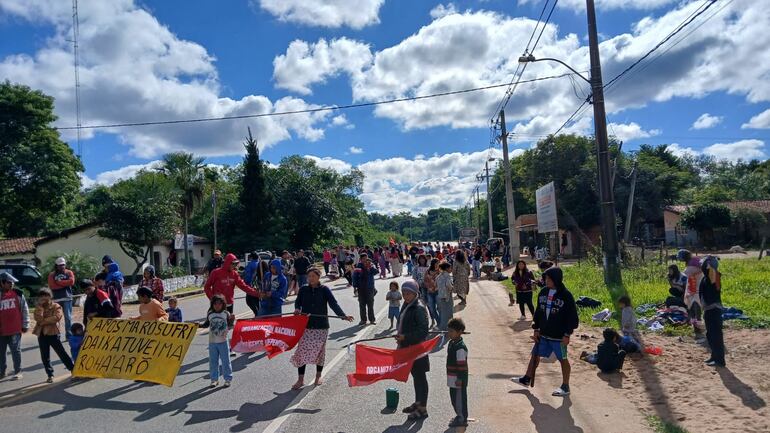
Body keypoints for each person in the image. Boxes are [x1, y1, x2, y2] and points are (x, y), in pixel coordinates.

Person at [513, 267, 579, 397]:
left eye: (549, 278)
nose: (546, 281)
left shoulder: (566, 296)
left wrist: (567, 334)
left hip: (559, 337)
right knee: (535, 355)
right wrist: (536, 328)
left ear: (556, 279)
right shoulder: (543, 292)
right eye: (546, 278)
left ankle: (565, 386)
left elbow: (572, 317)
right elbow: (538, 312)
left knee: (563, 359)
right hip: (543, 334)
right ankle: (527, 378)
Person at [291, 268, 353, 389]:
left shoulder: (324, 290)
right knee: (302, 351)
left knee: (320, 352)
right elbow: (298, 302)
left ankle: (318, 376)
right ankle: (300, 379)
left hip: (321, 326)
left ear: (319, 277)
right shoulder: (303, 289)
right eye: (309, 276)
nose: (311, 279)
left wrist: (343, 316)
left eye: (313, 276)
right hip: (306, 325)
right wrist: (297, 309)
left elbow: (333, 304)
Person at [397, 281, 431, 420]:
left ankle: (423, 408)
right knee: (416, 377)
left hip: (418, 349)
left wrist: (406, 336)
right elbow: (405, 323)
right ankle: (418, 403)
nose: (405, 296)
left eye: (408, 293)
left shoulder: (419, 307)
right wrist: (401, 335)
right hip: (409, 347)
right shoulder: (408, 305)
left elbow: (423, 331)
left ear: (415, 293)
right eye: (404, 293)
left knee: (420, 378)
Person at [33, 288, 74, 382]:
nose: (44, 298)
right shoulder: (38, 307)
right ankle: (50, 375)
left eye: (46, 295)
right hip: (42, 334)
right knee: (45, 356)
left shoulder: (56, 306)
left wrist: (43, 322)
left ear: (50, 296)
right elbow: (37, 318)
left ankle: (72, 369)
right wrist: (40, 307)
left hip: (53, 333)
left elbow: (57, 317)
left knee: (62, 353)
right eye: (41, 296)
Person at [0, 272, 29, 380]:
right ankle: (2, 372)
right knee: (1, 353)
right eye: (8, 282)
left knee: (16, 351)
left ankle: (18, 371)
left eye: (12, 282)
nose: (11, 284)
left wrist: (25, 324)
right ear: (1, 283)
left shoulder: (18, 294)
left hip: (15, 329)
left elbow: (25, 310)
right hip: (1, 330)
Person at [700, 256, 725, 367]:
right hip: (709, 309)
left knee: (716, 336)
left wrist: (710, 262)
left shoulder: (713, 275)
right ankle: (714, 357)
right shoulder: (707, 277)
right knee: (710, 335)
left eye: (704, 264)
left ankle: (720, 360)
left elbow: (711, 270)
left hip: (714, 310)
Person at [446, 317, 469, 428]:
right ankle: (459, 415)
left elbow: (462, 366)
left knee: (459, 401)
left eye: (452, 331)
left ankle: (462, 418)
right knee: (454, 399)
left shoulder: (460, 348)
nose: (449, 333)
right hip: (452, 378)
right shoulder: (452, 343)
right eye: (449, 330)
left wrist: (460, 379)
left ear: (459, 332)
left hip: (458, 380)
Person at [207, 294, 233, 387]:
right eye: (215, 304)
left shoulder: (226, 313)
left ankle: (228, 379)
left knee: (226, 361)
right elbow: (206, 324)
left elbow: (230, 325)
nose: (217, 306)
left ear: (223, 304)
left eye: (219, 304)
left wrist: (232, 320)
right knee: (213, 362)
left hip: (223, 341)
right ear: (212, 304)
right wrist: (197, 325)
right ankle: (214, 379)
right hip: (212, 342)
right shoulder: (210, 313)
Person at [47, 257, 76, 339]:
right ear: (56, 266)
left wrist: (59, 282)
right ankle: (57, 334)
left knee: (68, 317)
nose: (62, 266)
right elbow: (52, 286)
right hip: (56, 299)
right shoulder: (52, 275)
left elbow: (71, 282)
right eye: (60, 265)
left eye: (63, 265)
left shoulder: (69, 272)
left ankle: (69, 335)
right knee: (56, 318)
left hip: (67, 298)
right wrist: (64, 284)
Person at [352, 255, 378, 325]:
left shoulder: (371, 265)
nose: (365, 260)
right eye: (363, 259)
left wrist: (370, 267)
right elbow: (354, 277)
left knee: (370, 304)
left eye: (366, 258)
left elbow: (376, 272)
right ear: (360, 259)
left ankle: (372, 319)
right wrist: (355, 288)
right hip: (361, 289)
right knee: (362, 305)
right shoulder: (358, 266)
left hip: (370, 288)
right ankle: (363, 320)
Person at [242, 252, 264, 317]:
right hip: (259, 286)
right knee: (257, 301)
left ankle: (257, 314)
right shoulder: (260, 264)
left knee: (249, 301)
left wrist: (246, 285)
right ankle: (259, 314)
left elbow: (247, 276)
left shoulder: (250, 265)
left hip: (251, 286)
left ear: (251, 257)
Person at [436, 262, 454, 331]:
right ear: (447, 268)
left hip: (441, 296)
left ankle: (442, 328)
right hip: (447, 296)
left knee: (443, 313)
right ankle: (449, 329)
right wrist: (452, 288)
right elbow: (448, 285)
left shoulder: (439, 276)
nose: (451, 269)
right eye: (450, 268)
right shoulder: (447, 276)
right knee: (449, 313)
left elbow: (437, 284)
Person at [423, 258, 440, 328]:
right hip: (429, 292)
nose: (437, 265)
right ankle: (438, 321)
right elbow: (425, 281)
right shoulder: (428, 271)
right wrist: (429, 287)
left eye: (438, 263)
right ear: (433, 264)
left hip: (438, 292)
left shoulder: (440, 271)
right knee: (432, 309)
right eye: (436, 263)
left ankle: (440, 323)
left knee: (439, 308)